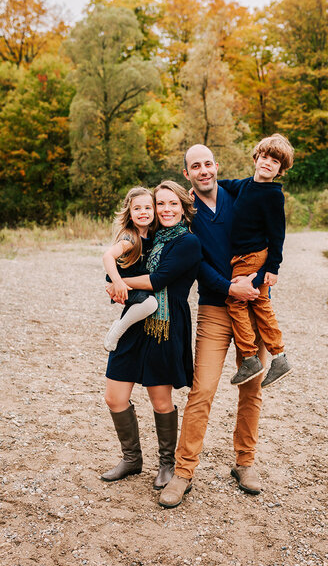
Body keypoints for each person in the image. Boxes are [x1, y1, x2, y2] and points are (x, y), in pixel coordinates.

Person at [159, 144, 268, 509]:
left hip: (252, 306)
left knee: (252, 389)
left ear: (217, 166)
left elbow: (266, 236)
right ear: (187, 173)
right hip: (214, 308)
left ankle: (245, 463)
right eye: (195, 166)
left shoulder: (240, 197)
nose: (203, 170)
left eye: (208, 164)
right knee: (202, 391)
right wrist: (226, 287)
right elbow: (197, 261)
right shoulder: (186, 213)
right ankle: (184, 472)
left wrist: (263, 276)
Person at [102, 181, 202, 492]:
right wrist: (115, 281)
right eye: (161, 204)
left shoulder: (187, 243)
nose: (165, 209)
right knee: (114, 397)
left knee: (160, 401)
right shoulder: (148, 237)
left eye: (173, 204)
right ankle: (132, 459)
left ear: (184, 207)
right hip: (134, 324)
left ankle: (167, 463)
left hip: (165, 326)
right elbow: (113, 269)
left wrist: (122, 284)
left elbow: (159, 279)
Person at [219, 133, 294, 388]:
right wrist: (195, 189)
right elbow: (225, 184)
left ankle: (250, 357)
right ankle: (279, 356)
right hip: (243, 255)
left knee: (236, 300)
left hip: (252, 256)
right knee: (260, 303)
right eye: (264, 157)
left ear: (280, 169)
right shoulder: (244, 185)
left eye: (275, 161)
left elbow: (277, 234)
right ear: (256, 158)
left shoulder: (273, 195)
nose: (268, 163)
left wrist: (272, 267)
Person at [102, 187, 158, 352]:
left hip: (137, 282)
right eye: (137, 208)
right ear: (129, 212)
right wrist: (118, 283)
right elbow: (108, 256)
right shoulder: (130, 238)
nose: (143, 212)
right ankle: (117, 329)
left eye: (148, 208)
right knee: (151, 304)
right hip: (124, 285)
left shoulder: (152, 234)